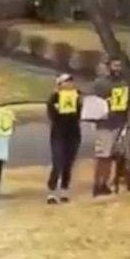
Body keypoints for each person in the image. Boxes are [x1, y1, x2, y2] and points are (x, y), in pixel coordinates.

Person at [92, 57, 130, 196]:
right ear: (109, 66)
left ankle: (108, 184)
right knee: (103, 156)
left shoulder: (124, 83)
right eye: (115, 65)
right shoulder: (101, 83)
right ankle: (98, 185)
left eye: (120, 65)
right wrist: (106, 102)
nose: (117, 68)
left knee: (116, 156)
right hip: (105, 124)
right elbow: (94, 102)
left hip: (120, 122)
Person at [46, 73, 83, 204]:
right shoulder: (54, 98)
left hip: (73, 133)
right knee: (58, 161)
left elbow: (78, 115)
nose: (69, 84)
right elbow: (52, 116)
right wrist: (57, 107)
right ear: (60, 84)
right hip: (58, 133)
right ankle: (52, 191)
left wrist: (78, 102)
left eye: (70, 82)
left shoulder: (76, 95)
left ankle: (64, 189)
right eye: (66, 82)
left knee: (68, 162)